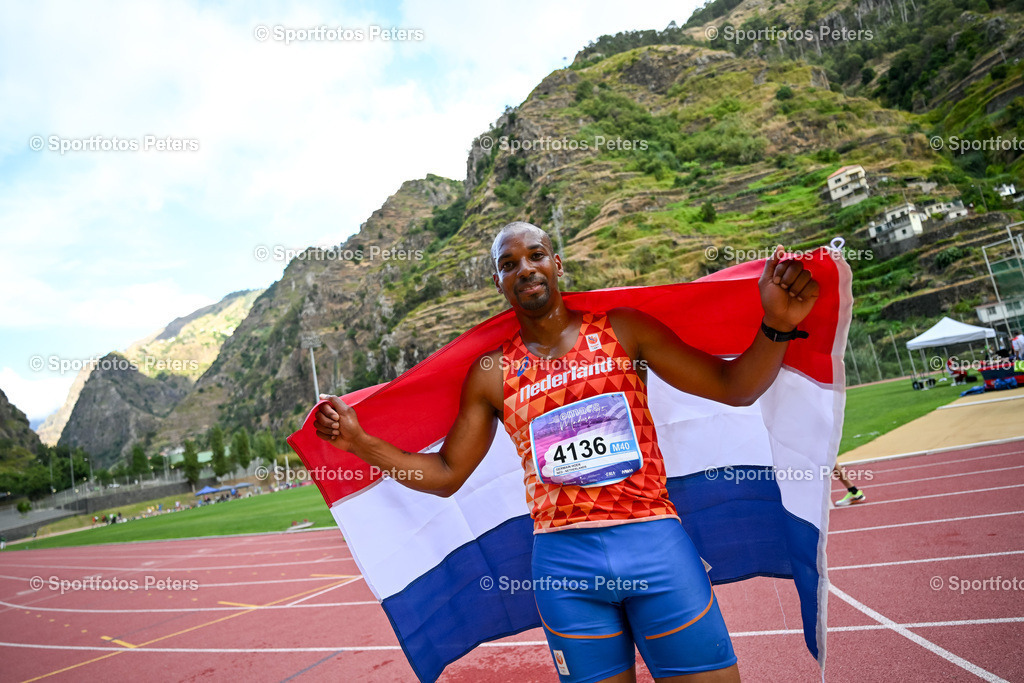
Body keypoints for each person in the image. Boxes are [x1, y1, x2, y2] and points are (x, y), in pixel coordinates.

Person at [315, 222, 820, 683]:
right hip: (565, 569)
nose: (525, 268)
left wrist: (775, 325)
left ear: (557, 265)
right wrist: (360, 443)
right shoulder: (492, 372)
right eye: (508, 264)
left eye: (535, 255)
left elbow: (734, 386)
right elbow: (446, 474)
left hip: (654, 543)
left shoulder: (623, 329)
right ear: (498, 283)